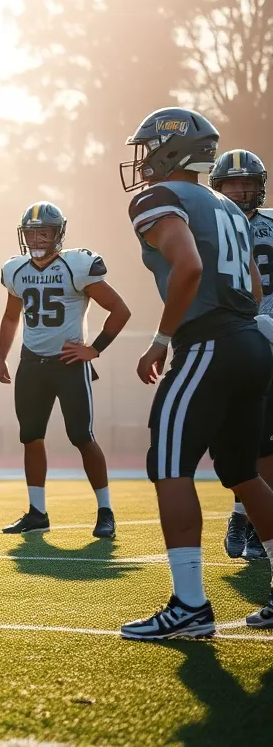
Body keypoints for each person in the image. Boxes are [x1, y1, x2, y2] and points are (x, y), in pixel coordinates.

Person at [118, 107, 273, 638]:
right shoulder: (229, 206)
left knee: (170, 464)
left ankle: (189, 605)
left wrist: (161, 340)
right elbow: (254, 287)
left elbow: (188, 266)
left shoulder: (158, 198)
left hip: (208, 343)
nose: (142, 160)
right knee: (244, 472)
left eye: (148, 148)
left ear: (170, 149)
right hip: (249, 342)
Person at [0, 202, 130, 539]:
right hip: (31, 363)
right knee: (30, 437)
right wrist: (2, 357)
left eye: (44, 232)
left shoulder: (76, 265)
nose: (37, 239)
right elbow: (11, 317)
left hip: (68, 364)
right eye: (32, 233)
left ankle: (105, 511)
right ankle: (37, 512)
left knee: (82, 436)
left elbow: (119, 309)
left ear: (58, 234)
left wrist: (94, 348)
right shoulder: (15, 269)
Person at [210, 149, 273, 561]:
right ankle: (241, 513)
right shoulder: (207, 224)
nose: (240, 191)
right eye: (232, 184)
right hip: (230, 334)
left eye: (247, 183)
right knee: (235, 433)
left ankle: (248, 520)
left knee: (264, 436)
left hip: (268, 332)